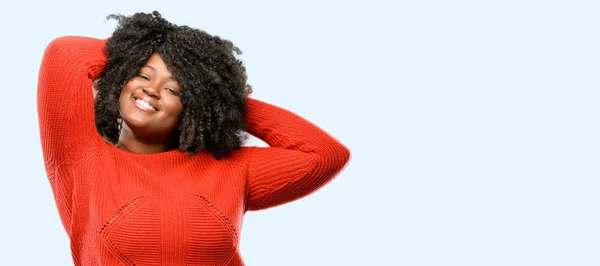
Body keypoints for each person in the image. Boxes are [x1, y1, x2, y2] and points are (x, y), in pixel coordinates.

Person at [37, 11, 350, 266]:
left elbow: (324, 155)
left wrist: (220, 96)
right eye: (143, 75)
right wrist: (146, 48)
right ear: (120, 80)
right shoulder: (81, 159)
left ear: (194, 106)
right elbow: (65, 54)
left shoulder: (229, 168)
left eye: (174, 89)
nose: (151, 89)